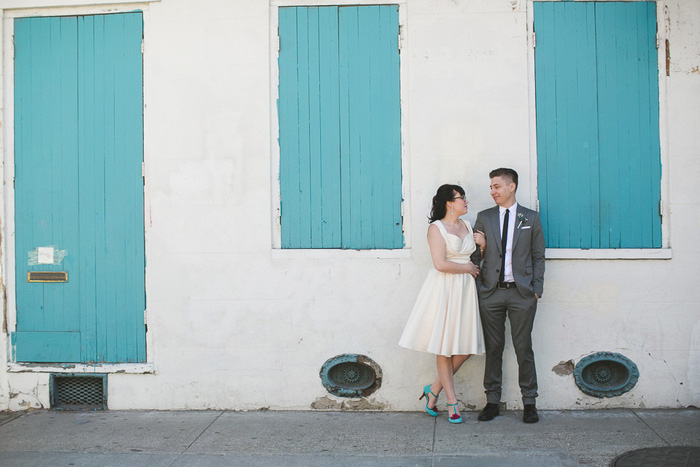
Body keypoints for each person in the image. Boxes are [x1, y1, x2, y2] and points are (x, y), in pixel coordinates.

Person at [399, 184, 486, 424]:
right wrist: (467, 267)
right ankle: (452, 402)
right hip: (445, 288)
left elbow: (478, 259)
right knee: (444, 346)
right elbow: (440, 263)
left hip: (466, 291)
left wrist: (484, 246)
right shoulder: (435, 229)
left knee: (465, 349)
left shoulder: (468, 226)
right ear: (449, 202)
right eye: (462, 198)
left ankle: (433, 389)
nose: (466, 202)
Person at [470, 168, 545, 424]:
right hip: (490, 294)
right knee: (493, 348)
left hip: (522, 294)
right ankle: (492, 401)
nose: (492, 192)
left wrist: (536, 289)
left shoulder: (530, 218)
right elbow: (474, 258)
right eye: (491, 187)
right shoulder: (484, 217)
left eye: (497, 187)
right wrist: (482, 249)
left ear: (511, 187)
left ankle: (530, 402)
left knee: (524, 348)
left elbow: (538, 256)